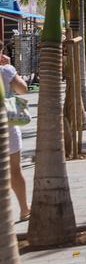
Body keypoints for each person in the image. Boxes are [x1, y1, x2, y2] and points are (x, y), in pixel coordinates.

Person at [2, 54, 31, 221]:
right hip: (7, 125)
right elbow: (22, 89)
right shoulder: (5, 71)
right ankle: (24, 209)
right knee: (14, 169)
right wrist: (11, 68)